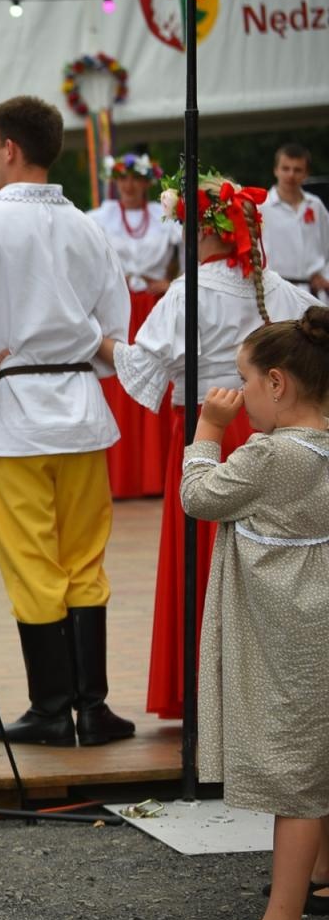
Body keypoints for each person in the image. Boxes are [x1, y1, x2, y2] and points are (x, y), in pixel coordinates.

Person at [0, 96, 133, 748]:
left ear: (10, 148)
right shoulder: (89, 227)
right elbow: (115, 328)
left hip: (15, 411)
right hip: (80, 407)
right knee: (84, 560)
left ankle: (51, 707)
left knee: (32, 562)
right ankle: (92, 707)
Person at [99, 173, 318, 720]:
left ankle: (205, 691)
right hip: (275, 431)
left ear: (203, 231)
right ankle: (260, 688)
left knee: (202, 557)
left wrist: (94, 339)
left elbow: (141, 367)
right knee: (269, 560)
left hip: (211, 428)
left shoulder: (187, 292)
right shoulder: (282, 290)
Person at [183, 307, 329, 920]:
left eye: (244, 383)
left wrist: (208, 429)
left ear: (277, 383)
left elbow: (200, 496)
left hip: (285, 632)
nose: (237, 399)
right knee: (319, 750)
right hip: (318, 616)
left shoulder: (269, 454)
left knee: (293, 776)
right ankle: (321, 879)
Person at [87, 151, 181, 499]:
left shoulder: (165, 215)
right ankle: (122, 477)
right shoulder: (100, 217)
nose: (129, 185)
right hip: (120, 308)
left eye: (136, 179)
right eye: (123, 179)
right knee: (121, 381)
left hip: (156, 307)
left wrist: (172, 285)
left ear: (147, 181)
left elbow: (189, 259)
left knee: (160, 378)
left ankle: (155, 477)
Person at [259, 143, 329, 301]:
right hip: (277, 292)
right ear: (275, 170)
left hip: (314, 292)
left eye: (297, 170)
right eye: (285, 168)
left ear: (306, 173)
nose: (291, 175)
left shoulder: (315, 205)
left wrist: (325, 276)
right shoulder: (262, 207)